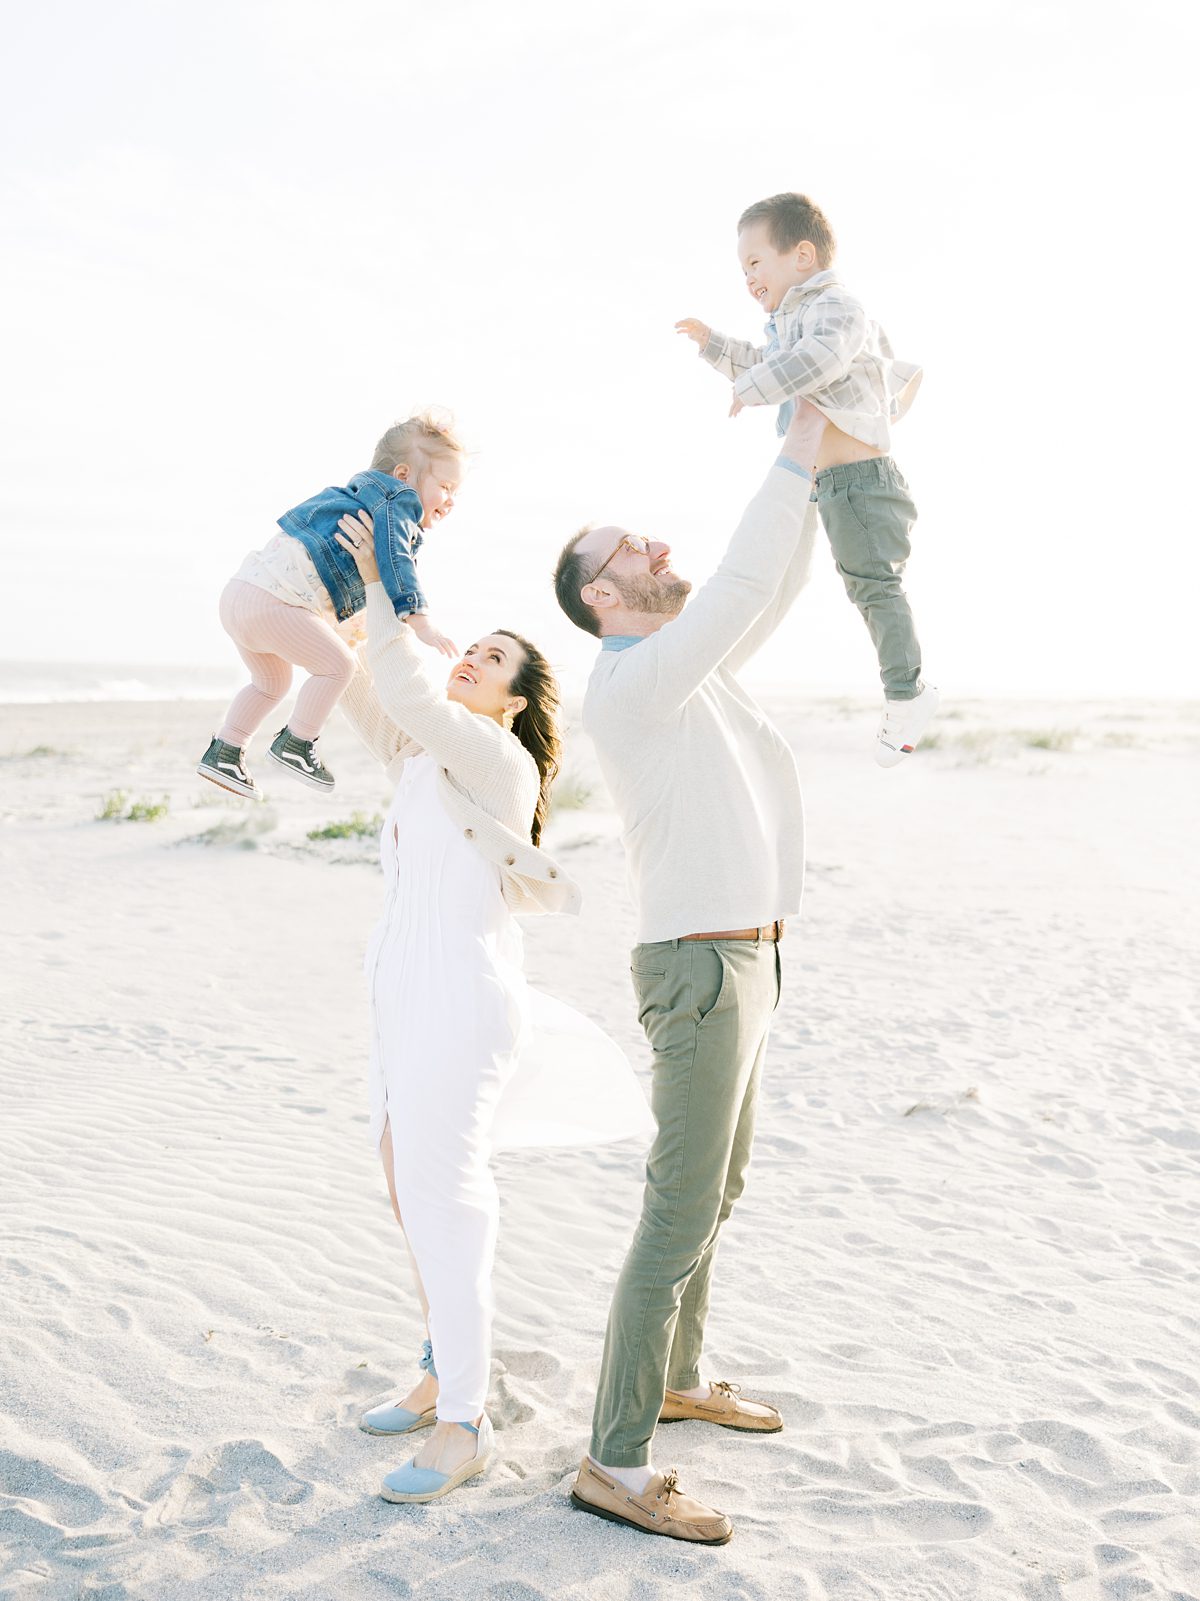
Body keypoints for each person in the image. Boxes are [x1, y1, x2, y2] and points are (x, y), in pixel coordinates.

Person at [333, 511, 653, 1506]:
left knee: (450, 1203)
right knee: (406, 1190)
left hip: (461, 1007)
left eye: (493, 656)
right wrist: (342, 594)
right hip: (400, 1002)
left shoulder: (497, 761)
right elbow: (361, 679)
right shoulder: (428, 759)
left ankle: (465, 1424)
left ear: (520, 695)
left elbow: (400, 681)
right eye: (469, 648)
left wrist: (390, 585)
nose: (470, 659)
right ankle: (437, 1372)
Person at [551, 404, 822, 1544]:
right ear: (601, 596)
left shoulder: (683, 670)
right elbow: (737, 577)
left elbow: (769, 583)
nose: (659, 548)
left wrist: (829, 480)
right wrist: (798, 439)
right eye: (632, 549)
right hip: (701, 968)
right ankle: (613, 1459)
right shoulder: (632, 683)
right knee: (675, 1214)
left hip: (750, 955)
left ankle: (679, 1374)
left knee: (719, 1192)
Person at [676, 190, 939, 766]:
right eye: (741, 267)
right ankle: (709, 677)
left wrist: (751, 390)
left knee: (874, 587)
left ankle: (906, 694)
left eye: (755, 262)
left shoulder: (838, 308)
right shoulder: (786, 323)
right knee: (784, 580)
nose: (747, 277)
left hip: (864, 482)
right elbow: (769, 364)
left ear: (801, 256)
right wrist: (714, 345)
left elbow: (820, 361)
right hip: (828, 486)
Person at [197, 412, 464, 800]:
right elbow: (395, 560)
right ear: (403, 474)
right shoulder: (398, 500)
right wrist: (419, 619)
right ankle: (297, 742)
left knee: (271, 682)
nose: (451, 500)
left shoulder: (348, 496)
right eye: (445, 486)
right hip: (276, 603)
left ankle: (226, 750)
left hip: (240, 593)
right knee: (339, 666)